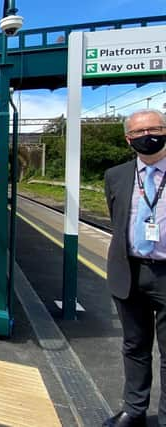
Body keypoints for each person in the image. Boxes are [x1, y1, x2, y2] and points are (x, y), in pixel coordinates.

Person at [103, 109, 166, 427]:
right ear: (129, 139)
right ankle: (134, 409)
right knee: (134, 345)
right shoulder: (116, 175)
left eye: (155, 128)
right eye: (140, 132)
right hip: (129, 271)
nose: (148, 136)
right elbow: (117, 218)